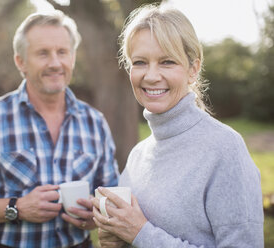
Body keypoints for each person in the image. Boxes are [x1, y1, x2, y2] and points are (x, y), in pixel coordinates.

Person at [0, 9, 119, 248]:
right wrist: (17, 207)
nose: (55, 63)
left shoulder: (95, 122)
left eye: (62, 52)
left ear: (72, 57)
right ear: (20, 62)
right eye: (43, 53)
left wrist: (93, 218)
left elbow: (111, 198)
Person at [91, 4, 264, 248]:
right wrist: (116, 239)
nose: (151, 76)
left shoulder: (225, 149)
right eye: (140, 62)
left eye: (167, 62)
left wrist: (141, 234)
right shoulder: (138, 156)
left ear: (193, 69)